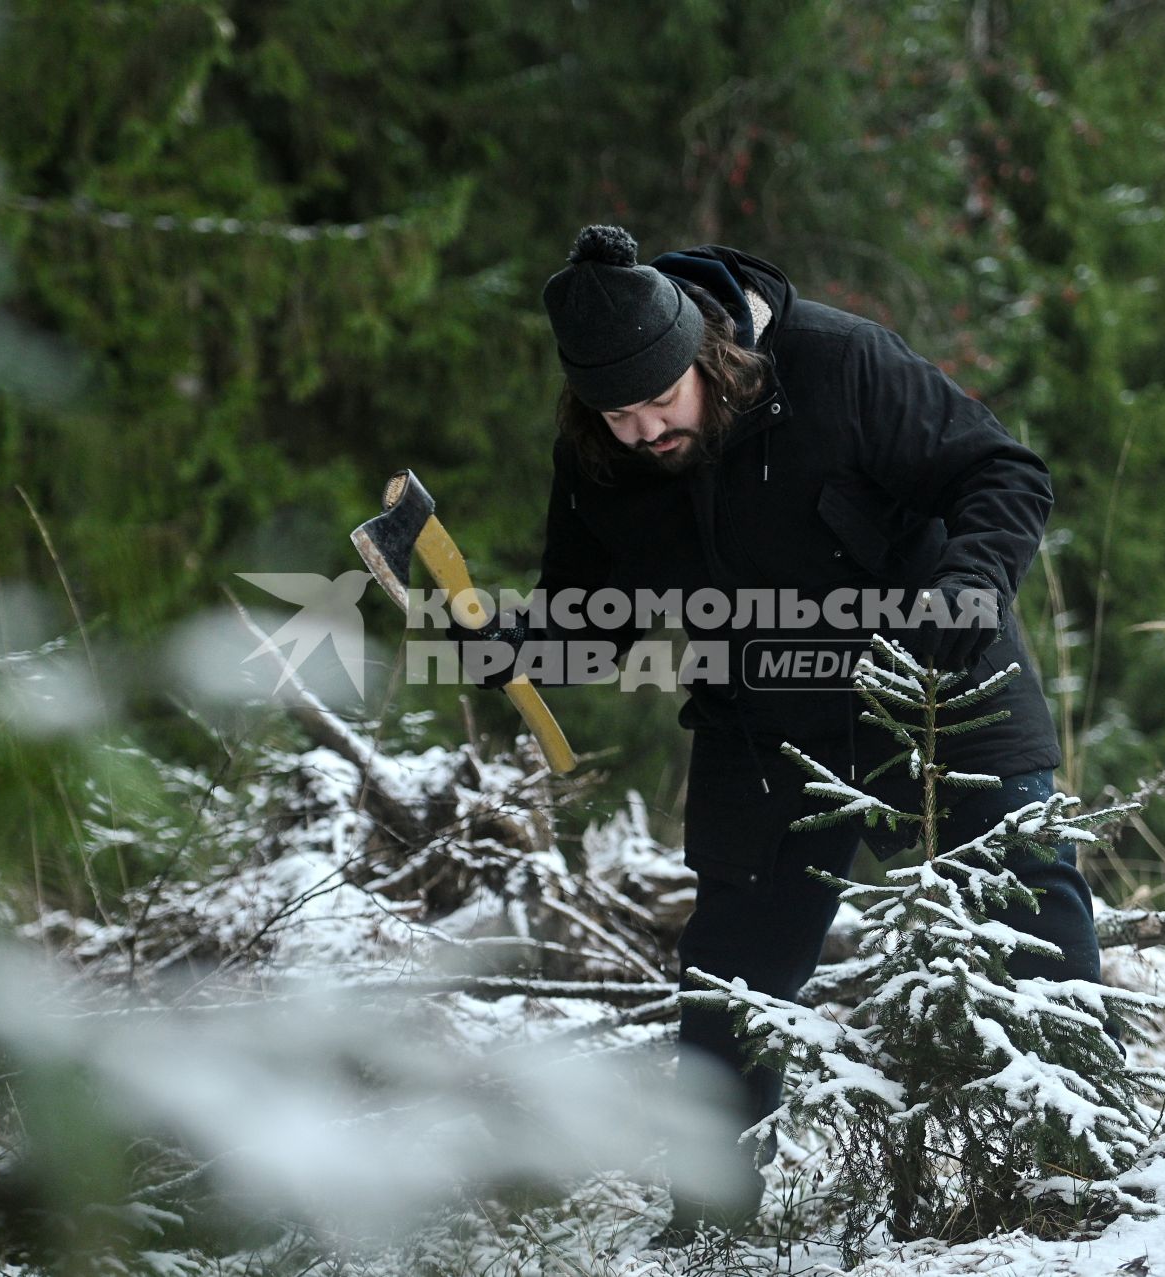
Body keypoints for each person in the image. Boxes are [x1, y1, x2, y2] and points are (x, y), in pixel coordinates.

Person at [453, 224, 1101, 1240]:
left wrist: (962, 599)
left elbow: (1004, 472)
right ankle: (710, 1219)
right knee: (727, 979)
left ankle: (1083, 1173)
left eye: (660, 400)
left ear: (708, 357)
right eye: (616, 412)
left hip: (937, 690)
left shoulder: (840, 363)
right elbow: (593, 611)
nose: (643, 430)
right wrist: (522, 641)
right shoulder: (601, 453)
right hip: (763, 728)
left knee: (1029, 913)